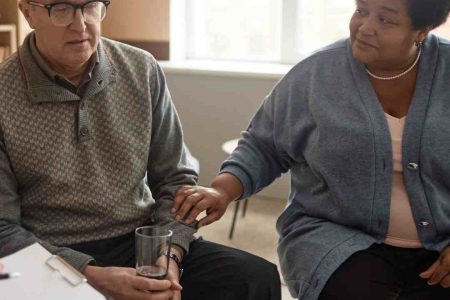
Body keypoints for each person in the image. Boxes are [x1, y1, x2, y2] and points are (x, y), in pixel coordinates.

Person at [0, 1, 281, 299]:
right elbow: (3, 227)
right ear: (28, 13)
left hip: (142, 239)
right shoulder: (4, 93)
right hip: (48, 254)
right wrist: (88, 276)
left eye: (91, 6)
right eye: (62, 9)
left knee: (255, 279)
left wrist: (169, 256)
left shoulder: (141, 68)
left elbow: (175, 179)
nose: (81, 24)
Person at [171, 0, 450, 299]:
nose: (365, 27)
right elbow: (264, 144)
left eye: (386, 20)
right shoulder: (316, 73)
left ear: (422, 30)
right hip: (333, 235)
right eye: (362, 11)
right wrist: (223, 191)